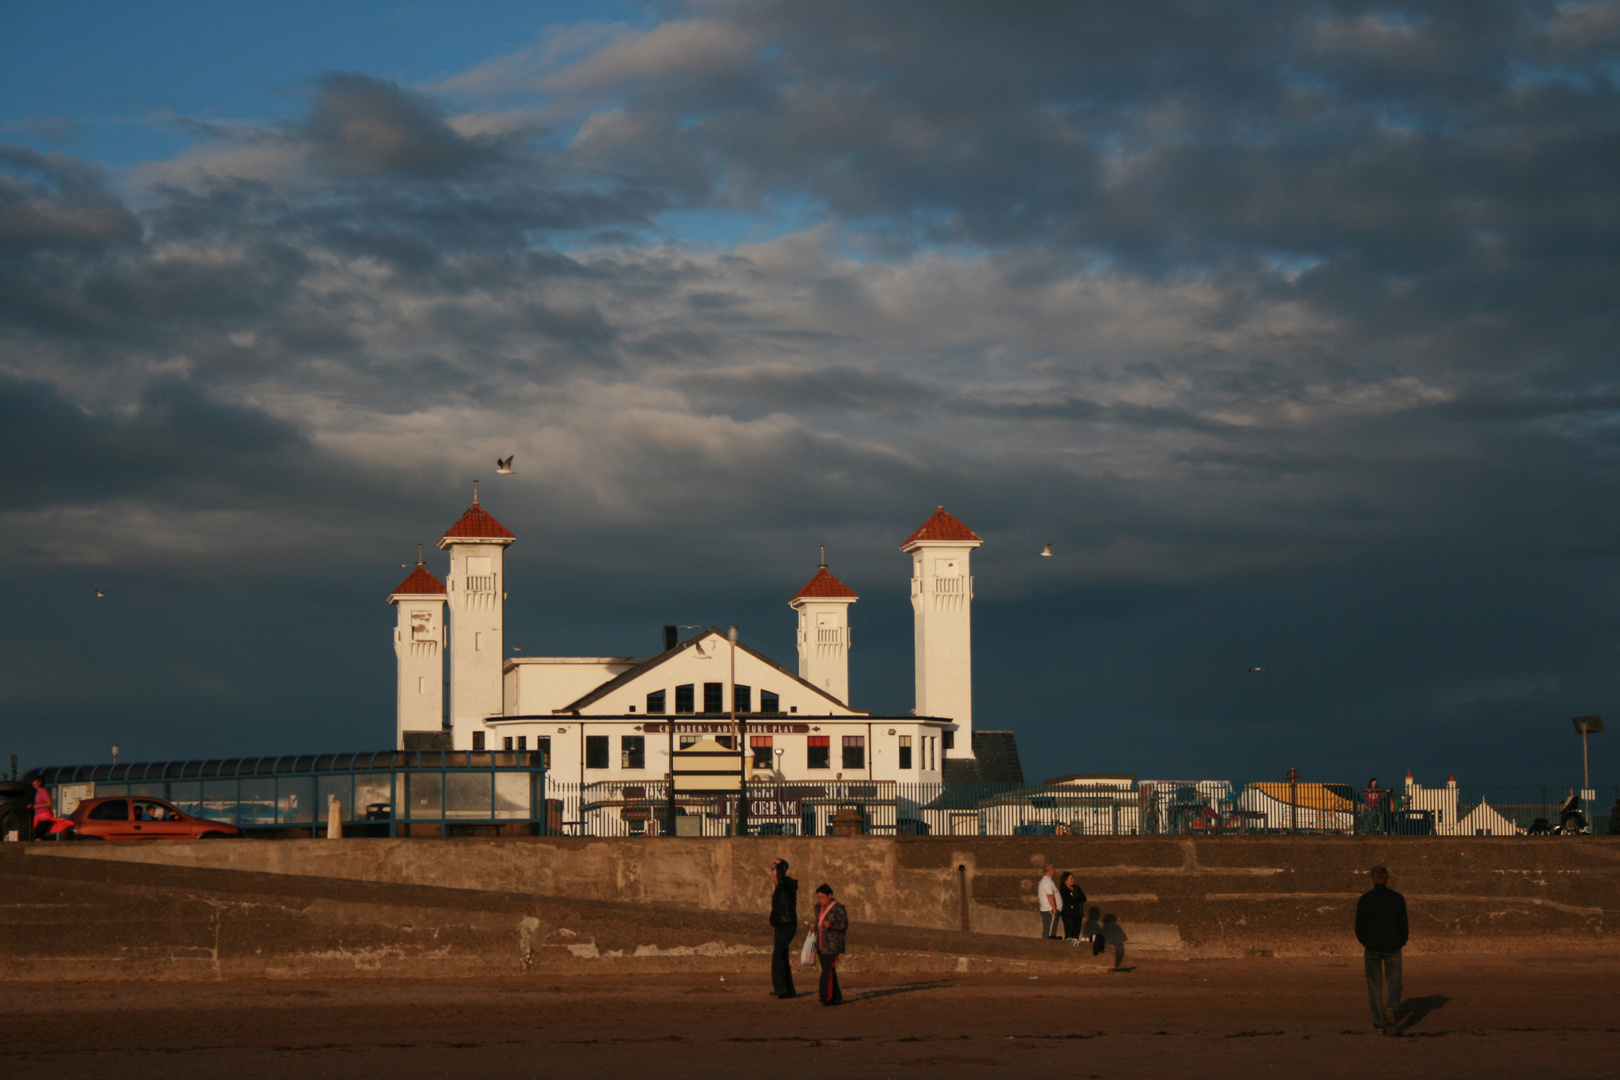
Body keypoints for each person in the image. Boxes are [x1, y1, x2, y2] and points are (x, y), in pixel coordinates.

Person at [1354, 865, 1409, 1035]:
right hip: (1393, 946)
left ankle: (1379, 1024)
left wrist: (1365, 941)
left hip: (1372, 946)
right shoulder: (1397, 898)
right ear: (1387, 880)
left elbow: (1359, 927)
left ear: (1371, 880)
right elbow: (1403, 925)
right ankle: (1391, 1007)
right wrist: (1401, 941)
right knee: (1395, 984)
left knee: (1374, 986)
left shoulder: (1365, 899)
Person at [811, 883, 848, 1006]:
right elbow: (817, 923)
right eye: (819, 897)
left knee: (827, 970)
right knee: (829, 970)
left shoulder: (839, 908)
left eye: (822, 897)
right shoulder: (817, 908)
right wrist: (812, 927)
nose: (820, 899)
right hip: (821, 944)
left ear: (830, 895)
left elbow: (844, 925)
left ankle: (826, 996)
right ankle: (835, 997)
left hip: (833, 945)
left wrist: (831, 924)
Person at [768, 858, 798, 999]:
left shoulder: (788, 885)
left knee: (778, 955)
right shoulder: (780, 888)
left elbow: (782, 875)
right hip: (781, 925)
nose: (774, 878)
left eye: (776, 875)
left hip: (787, 925)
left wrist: (780, 864)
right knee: (782, 955)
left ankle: (782, 988)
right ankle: (788, 990)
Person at [1058, 871, 1087, 945]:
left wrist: (1076, 898)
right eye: (1071, 879)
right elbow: (1071, 899)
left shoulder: (1077, 888)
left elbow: (1083, 898)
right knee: (1069, 934)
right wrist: (1077, 898)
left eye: (1073, 878)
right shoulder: (1063, 890)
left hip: (1078, 914)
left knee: (1076, 935)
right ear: (1065, 881)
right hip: (1069, 915)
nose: (1073, 880)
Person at [1036, 863, 1062, 938]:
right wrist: (1054, 908)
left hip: (1050, 910)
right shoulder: (1047, 882)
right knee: (1050, 933)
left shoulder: (1047, 881)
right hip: (1050, 910)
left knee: (1051, 931)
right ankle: (1047, 947)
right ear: (1051, 870)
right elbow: (1050, 896)